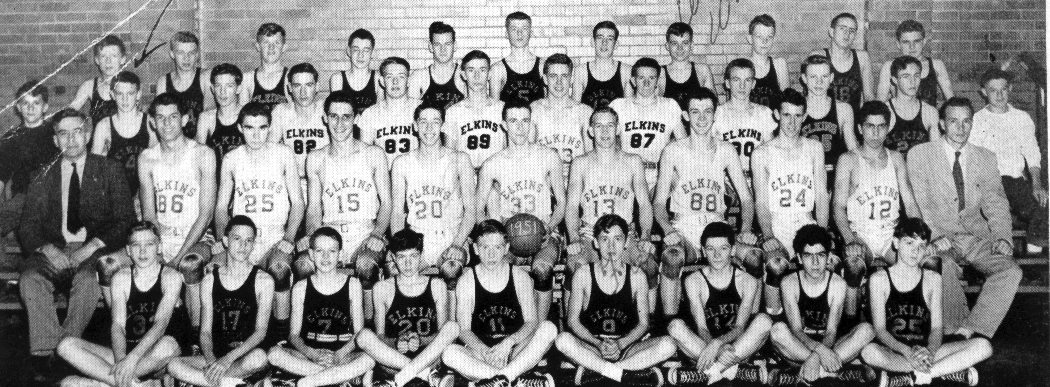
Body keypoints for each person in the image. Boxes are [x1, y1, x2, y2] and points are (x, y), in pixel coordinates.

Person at [19, 108, 135, 382]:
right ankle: (45, 352)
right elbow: (28, 226)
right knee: (30, 279)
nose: (71, 140)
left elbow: (125, 219)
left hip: (92, 250)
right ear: (55, 140)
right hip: (54, 249)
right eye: (63, 134)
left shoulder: (108, 169)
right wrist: (48, 250)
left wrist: (93, 244)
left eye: (77, 132)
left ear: (88, 134)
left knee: (88, 279)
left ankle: (67, 348)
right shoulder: (42, 174)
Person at [907, 97, 1022, 343]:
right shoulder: (920, 154)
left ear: (972, 123)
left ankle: (970, 329)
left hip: (976, 237)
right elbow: (919, 203)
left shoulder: (986, 157)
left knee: (1010, 271)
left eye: (966, 121)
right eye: (953, 121)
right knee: (943, 267)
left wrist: (1003, 237)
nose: (961, 128)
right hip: (939, 236)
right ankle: (953, 334)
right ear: (941, 124)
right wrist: (935, 235)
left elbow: (996, 203)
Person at [654, 89, 756, 316]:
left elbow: (747, 199)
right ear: (685, 115)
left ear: (715, 114)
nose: (701, 118)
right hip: (685, 228)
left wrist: (746, 229)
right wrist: (668, 229)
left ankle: (752, 323)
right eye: (695, 112)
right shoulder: (672, 151)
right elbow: (659, 202)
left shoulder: (727, 150)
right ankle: (668, 323)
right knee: (671, 257)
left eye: (707, 112)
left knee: (755, 258)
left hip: (718, 228)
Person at [861, 217, 990, 387]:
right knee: (868, 352)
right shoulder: (879, 279)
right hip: (897, 350)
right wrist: (908, 352)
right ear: (896, 243)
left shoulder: (932, 278)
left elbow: (937, 328)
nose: (915, 251)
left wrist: (929, 351)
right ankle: (943, 372)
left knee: (984, 346)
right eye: (909, 244)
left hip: (927, 349)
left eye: (921, 246)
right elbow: (880, 330)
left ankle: (916, 377)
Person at [214, 102, 303, 344]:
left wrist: (289, 238)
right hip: (243, 238)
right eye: (250, 128)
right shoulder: (231, 158)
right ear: (240, 128)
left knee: (280, 269)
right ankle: (213, 336)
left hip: (275, 236)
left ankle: (283, 337)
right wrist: (225, 238)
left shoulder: (284, 153)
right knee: (213, 268)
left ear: (270, 128)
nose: (256, 134)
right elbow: (222, 206)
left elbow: (298, 203)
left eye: (262, 128)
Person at [57, 222, 184, 387]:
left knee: (167, 345)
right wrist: (121, 360)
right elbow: (118, 325)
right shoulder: (121, 278)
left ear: (159, 248)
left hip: (156, 358)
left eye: (149, 244)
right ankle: (134, 384)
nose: (143, 251)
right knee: (65, 346)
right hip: (128, 353)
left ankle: (114, 382)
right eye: (136, 245)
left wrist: (131, 360)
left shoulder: (170, 276)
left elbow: (161, 324)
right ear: (129, 250)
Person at [301, 91, 391, 318]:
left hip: (365, 232)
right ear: (325, 118)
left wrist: (378, 234)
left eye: (346, 117)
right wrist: (313, 237)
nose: (339, 123)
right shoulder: (315, 157)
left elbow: (387, 203)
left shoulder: (373, 153)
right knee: (303, 264)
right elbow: (313, 208)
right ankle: (313, 322)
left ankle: (370, 328)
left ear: (356, 118)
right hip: (331, 234)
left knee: (366, 264)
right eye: (334, 116)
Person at [556, 214, 673, 387]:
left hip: (627, 346)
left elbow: (643, 323)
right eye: (604, 239)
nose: (611, 246)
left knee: (669, 344)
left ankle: (604, 372)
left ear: (626, 243)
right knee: (562, 340)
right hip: (593, 345)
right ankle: (626, 374)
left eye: (617, 239)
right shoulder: (583, 274)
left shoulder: (637, 275)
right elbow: (573, 321)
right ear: (595, 243)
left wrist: (620, 344)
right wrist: (597, 343)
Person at [476, 101, 565, 324]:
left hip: (544, 232)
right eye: (513, 121)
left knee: (543, 270)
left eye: (525, 121)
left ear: (531, 123)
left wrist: (550, 226)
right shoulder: (492, 164)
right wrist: (495, 236)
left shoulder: (548, 156)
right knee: (495, 267)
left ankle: (539, 330)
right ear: (504, 125)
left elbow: (563, 203)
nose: (520, 127)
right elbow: (477, 210)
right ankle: (507, 324)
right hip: (509, 236)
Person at [441, 220, 558, 387]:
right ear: (475, 249)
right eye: (485, 248)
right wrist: (486, 353)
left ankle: (496, 380)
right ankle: (515, 380)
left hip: (516, 349)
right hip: (482, 353)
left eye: (497, 248)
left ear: (506, 248)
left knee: (549, 328)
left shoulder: (520, 277)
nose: (491, 255)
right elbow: (464, 330)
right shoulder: (467, 281)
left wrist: (509, 343)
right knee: (449, 353)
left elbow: (532, 322)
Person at [833, 101, 920, 320]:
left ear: (888, 128)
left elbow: (909, 203)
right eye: (870, 126)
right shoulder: (849, 160)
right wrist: (849, 238)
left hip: (890, 236)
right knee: (854, 265)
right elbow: (838, 207)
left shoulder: (896, 158)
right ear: (860, 128)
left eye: (881, 126)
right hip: (861, 235)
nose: (875, 132)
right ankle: (850, 324)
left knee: (927, 261)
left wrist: (921, 237)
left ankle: (914, 320)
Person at [168, 216, 273, 387]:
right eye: (237, 239)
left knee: (259, 358)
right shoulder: (210, 280)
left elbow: (260, 332)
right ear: (225, 241)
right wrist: (211, 361)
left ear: (254, 244)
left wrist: (227, 360)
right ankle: (233, 383)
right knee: (173, 365)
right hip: (216, 354)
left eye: (248, 240)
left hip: (244, 354)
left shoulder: (264, 280)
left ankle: (210, 382)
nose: (243, 246)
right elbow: (205, 332)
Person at [752, 88, 829, 315]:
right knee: (776, 266)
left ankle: (818, 320)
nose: (792, 122)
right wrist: (767, 234)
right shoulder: (762, 153)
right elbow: (761, 202)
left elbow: (822, 195)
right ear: (777, 114)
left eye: (798, 116)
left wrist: (822, 234)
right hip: (778, 223)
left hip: (806, 221)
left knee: (826, 263)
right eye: (787, 115)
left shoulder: (814, 148)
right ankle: (773, 321)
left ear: (805, 116)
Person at [768, 224, 875, 384]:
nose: (815, 262)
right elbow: (796, 330)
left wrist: (818, 355)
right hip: (799, 349)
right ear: (798, 258)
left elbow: (831, 331)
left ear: (828, 257)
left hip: (831, 346)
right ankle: (831, 372)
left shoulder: (837, 283)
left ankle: (800, 375)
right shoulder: (789, 282)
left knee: (867, 330)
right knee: (777, 331)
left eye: (821, 255)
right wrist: (818, 352)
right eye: (808, 256)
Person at [268, 227, 375, 387]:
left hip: (342, 353)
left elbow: (358, 334)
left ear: (340, 254)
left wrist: (338, 355)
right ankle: (340, 378)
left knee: (369, 358)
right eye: (319, 251)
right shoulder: (300, 287)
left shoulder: (352, 284)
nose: (325, 257)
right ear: (311, 254)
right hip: (310, 354)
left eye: (332, 251)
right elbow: (294, 335)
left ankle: (313, 380)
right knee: (274, 354)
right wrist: (312, 354)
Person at [666, 222, 770, 385]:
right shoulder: (694, 280)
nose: (717, 255)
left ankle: (710, 373)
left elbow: (740, 328)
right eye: (710, 249)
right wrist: (716, 347)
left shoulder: (747, 280)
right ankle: (733, 371)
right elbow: (701, 327)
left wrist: (719, 343)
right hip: (704, 349)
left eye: (723, 248)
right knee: (675, 326)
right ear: (703, 251)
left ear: (733, 250)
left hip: (737, 348)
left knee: (764, 321)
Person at [356, 228, 461, 387]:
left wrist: (421, 340)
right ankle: (426, 376)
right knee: (363, 336)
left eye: (413, 256)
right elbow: (380, 336)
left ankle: (398, 381)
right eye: (401, 257)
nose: (408, 263)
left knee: (452, 327)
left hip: (429, 357)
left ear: (421, 255)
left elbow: (441, 334)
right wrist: (397, 342)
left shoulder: (436, 285)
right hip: (394, 360)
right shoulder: (382, 288)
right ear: (393, 257)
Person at [565, 108, 654, 277]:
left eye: (610, 125)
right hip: (590, 234)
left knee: (649, 266)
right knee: (574, 267)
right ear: (591, 131)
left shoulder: (633, 161)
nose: (605, 131)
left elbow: (644, 204)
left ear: (618, 129)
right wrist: (574, 238)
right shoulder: (580, 163)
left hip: (624, 235)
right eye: (599, 126)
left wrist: (646, 235)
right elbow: (571, 206)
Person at [389, 105, 474, 278]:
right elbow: (397, 213)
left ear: (442, 125)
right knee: (394, 271)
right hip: (418, 237)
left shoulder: (460, 159)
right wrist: (402, 247)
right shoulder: (401, 163)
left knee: (451, 269)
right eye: (423, 122)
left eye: (435, 122)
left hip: (452, 234)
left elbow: (471, 211)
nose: (429, 129)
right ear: (414, 125)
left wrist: (458, 243)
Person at [969, 68, 1048, 250]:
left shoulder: (1021, 118)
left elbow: (1032, 153)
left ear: (1010, 88)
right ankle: (986, 265)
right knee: (981, 218)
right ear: (983, 92)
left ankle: (1033, 256)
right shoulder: (977, 120)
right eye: (993, 90)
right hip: (989, 183)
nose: (999, 95)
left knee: (1042, 203)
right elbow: (973, 158)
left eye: (1003, 89)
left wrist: (1036, 184)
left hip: (1015, 181)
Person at [608, 57, 686, 189]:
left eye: (651, 78)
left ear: (657, 80)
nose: (646, 83)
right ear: (633, 81)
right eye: (641, 78)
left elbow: (683, 144)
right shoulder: (618, 106)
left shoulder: (670, 105)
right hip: (627, 173)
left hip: (659, 173)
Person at [0, 80, 59, 238]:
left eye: (36, 103)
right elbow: (1, 177)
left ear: (45, 107)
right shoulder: (10, 138)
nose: (30, 108)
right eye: (25, 103)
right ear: (18, 107)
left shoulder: (56, 133)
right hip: (22, 199)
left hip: (53, 198)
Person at [710, 58, 777, 186]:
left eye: (747, 80)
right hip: (726, 182)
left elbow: (771, 155)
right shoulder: (717, 114)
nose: (742, 86)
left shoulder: (764, 113)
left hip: (757, 180)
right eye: (736, 80)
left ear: (753, 84)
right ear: (727, 83)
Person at [91, 71, 156, 195]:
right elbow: (94, 170)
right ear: (112, 95)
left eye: (130, 93)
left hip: (144, 192)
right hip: (115, 193)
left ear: (138, 94)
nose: (125, 99)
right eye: (119, 93)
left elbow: (156, 165)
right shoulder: (104, 126)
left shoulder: (149, 122)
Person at [532, 53, 592, 182]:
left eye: (564, 76)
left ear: (571, 79)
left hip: (575, 186)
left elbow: (591, 160)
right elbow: (527, 157)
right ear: (545, 79)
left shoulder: (585, 112)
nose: (559, 82)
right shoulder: (534, 110)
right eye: (553, 76)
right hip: (543, 186)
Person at [443, 50, 507, 170]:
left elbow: (508, 151)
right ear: (463, 75)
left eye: (482, 70)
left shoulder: (502, 108)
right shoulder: (453, 112)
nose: (477, 76)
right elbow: (449, 156)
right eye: (471, 70)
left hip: (495, 175)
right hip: (466, 177)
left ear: (489, 74)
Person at [799, 54, 857, 185]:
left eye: (824, 77)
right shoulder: (797, 109)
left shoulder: (843, 109)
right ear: (804, 79)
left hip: (836, 177)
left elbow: (853, 150)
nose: (819, 82)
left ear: (831, 78)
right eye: (813, 77)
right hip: (805, 177)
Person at [271, 62, 329, 184]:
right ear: (290, 88)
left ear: (317, 86)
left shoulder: (326, 108)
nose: (303, 92)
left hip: (324, 180)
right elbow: (269, 148)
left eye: (309, 85)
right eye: (297, 85)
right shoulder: (281, 111)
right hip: (291, 182)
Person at [357, 57, 421, 167]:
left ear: (408, 81)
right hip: (383, 177)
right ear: (382, 81)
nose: (395, 82)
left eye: (401, 77)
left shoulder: (422, 108)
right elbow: (364, 157)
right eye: (389, 77)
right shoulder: (370, 114)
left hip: (416, 176)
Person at [876, 20, 954, 106]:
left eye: (916, 41)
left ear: (923, 42)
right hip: (900, 118)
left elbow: (951, 100)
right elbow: (880, 103)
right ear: (898, 44)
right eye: (906, 42)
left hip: (929, 117)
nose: (911, 47)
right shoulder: (889, 66)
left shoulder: (937, 65)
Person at [810, 13, 874, 115]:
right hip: (826, 121)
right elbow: (810, 96)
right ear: (831, 31)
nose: (847, 34)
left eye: (851, 31)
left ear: (855, 36)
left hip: (854, 122)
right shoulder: (819, 56)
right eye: (842, 28)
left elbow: (869, 96)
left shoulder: (862, 57)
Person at [154, 31, 211, 138]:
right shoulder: (163, 82)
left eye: (191, 53)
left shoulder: (205, 77)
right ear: (172, 54)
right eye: (181, 53)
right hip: (173, 142)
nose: (186, 58)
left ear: (197, 54)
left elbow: (209, 115)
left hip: (200, 143)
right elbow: (159, 118)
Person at [884, 56, 940, 157]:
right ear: (894, 80)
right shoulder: (884, 112)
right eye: (906, 76)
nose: (912, 81)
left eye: (916, 76)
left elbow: (937, 155)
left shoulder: (930, 112)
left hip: (921, 171)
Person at [573, 21, 632, 109]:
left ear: (616, 44)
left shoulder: (626, 71)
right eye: (600, 37)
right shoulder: (581, 71)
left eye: (610, 38)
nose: (604, 42)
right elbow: (575, 109)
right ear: (593, 42)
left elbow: (629, 111)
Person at [69, 35, 124, 127]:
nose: (108, 61)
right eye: (103, 56)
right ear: (97, 60)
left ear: (122, 59)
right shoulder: (89, 86)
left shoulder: (130, 85)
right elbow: (69, 112)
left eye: (114, 56)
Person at [196, 64, 246, 166]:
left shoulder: (248, 116)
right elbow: (197, 158)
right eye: (218, 86)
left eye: (229, 86)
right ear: (212, 89)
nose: (223, 92)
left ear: (238, 89)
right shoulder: (206, 118)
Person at [491, 12, 545, 104]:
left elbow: (549, 104)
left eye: (524, 28)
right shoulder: (498, 69)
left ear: (531, 33)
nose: (519, 33)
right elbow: (495, 109)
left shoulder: (543, 66)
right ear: (506, 34)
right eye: (514, 29)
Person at [408, 22, 465, 110]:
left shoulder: (464, 75)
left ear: (455, 46)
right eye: (437, 44)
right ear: (430, 47)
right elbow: (410, 113)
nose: (443, 49)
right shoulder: (419, 77)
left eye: (448, 44)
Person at [660, 22, 715, 110]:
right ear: (667, 46)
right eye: (674, 43)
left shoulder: (702, 70)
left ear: (691, 45)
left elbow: (713, 105)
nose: (679, 48)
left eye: (685, 43)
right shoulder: (660, 73)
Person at [329, 29, 381, 115]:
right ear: (349, 51)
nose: (361, 55)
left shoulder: (378, 78)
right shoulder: (337, 79)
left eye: (366, 50)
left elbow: (379, 114)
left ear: (372, 53)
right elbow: (338, 113)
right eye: (356, 50)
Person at [239, 23, 288, 112]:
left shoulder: (290, 77)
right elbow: (243, 117)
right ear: (258, 47)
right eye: (266, 43)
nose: (271, 47)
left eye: (276, 43)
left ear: (284, 47)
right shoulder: (247, 79)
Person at [746, 15, 789, 112]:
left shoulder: (779, 64)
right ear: (750, 38)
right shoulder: (742, 67)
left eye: (769, 37)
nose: (764, 41)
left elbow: (787, 103)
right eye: (759, 36)